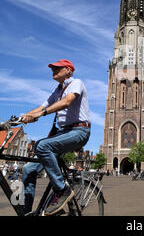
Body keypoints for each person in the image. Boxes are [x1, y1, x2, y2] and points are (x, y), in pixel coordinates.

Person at [21, 59, 90, 215]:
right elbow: (41, 106)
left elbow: (67, 102)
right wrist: (23, 116)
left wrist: (41, 114)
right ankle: (27, 212)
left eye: (58, 68)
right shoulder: (57, 90)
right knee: (27, 169)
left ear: (68, 70)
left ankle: (62, 190)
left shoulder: (76, 83)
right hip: (63, 133)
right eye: (53, 68)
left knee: (42, 145)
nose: (53, 70)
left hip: (79, 131)